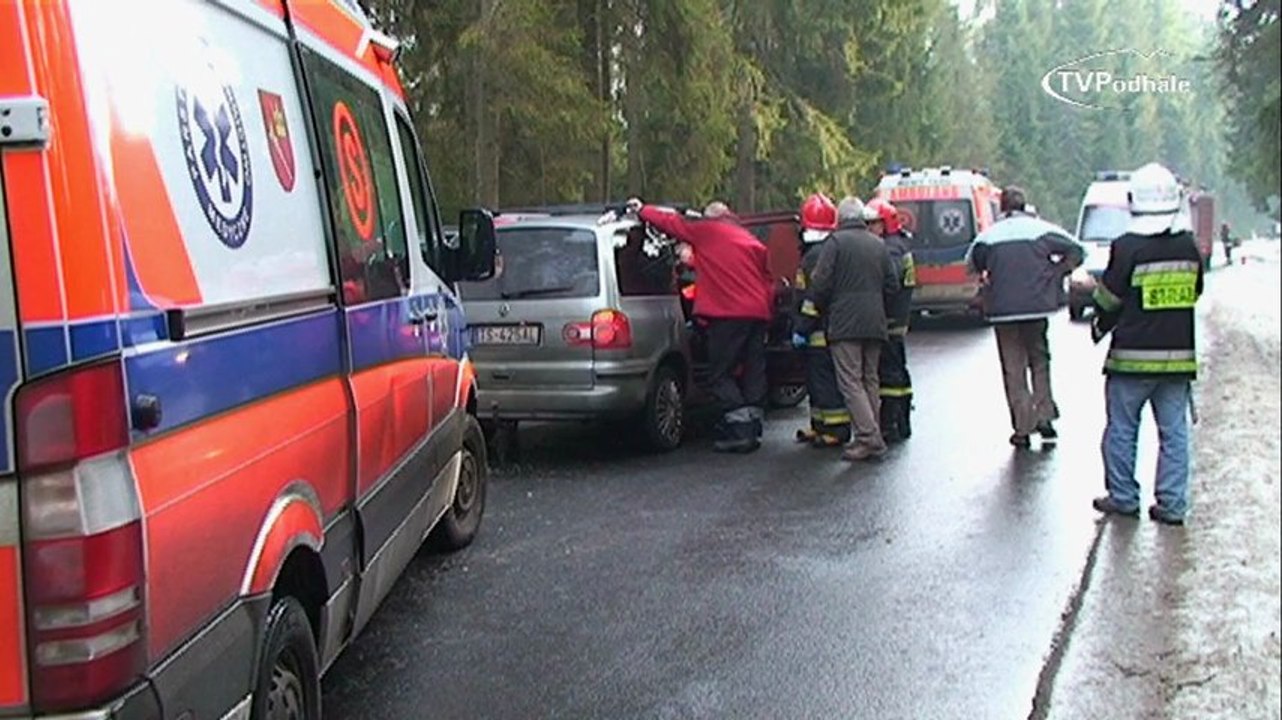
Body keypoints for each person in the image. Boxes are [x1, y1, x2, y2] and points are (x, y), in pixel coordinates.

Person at [1089, 162, 1204, 526]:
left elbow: (1108, 300)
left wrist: (1100, 318)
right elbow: (1196, 291)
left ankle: (1123, 498)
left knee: (1122, 429)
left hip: (1131, 362)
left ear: (1133, 202)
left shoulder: (1126, 247)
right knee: (1174, 435)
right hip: (1177, 361)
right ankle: (1172, 504)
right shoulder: (1188, 246)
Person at [628, 198, 774, 452]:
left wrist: (642, 210)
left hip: (728, 314)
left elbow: (672, 224)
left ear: (709, 218)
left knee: (720, 374)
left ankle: (740, 433)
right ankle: (752, 428)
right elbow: (759, 275)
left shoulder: (708, 231)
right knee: (752, 371)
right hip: (757, 314)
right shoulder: (746, 237)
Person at [966, 186, 1084, 448]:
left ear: (1003, 207)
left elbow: (973, 264)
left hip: (1003, 312)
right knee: (1039, 361)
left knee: (1013, 368)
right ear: (1024, 205)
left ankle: (1022, 426)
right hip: (1037, 308)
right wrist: (1057, 271)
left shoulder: (989, 236)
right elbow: (1078, 250)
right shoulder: (1041, 230)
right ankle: (1045, 416)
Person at [809, 197, 899, 462]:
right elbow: (892, 285)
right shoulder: (878, 244)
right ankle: (873, 433)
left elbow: (820, 283)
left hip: (845, 323)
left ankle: (868, 438)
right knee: (870, 378)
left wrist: (822, 305)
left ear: (840, 219)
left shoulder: (835, 243)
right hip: (875, 322)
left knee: (850, 382)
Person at [791, 193, 851, 448]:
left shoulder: (815, 256)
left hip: (820, 330)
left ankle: (836, 429)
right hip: (823, 327)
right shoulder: (825, 250)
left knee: (825, 380)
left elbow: (813, 296)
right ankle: (820, 424)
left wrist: (802, 327)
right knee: (816, 381)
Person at [865, 198, 916, 443]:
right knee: (897, 370)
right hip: (897, 317)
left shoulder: (890, 248)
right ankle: (901, 420)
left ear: (884, 224)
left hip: (890, 318)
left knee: (890, 372)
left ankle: (891, 422)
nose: (868, 228)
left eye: (872, 223)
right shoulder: (898, 244)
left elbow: (890, 282)